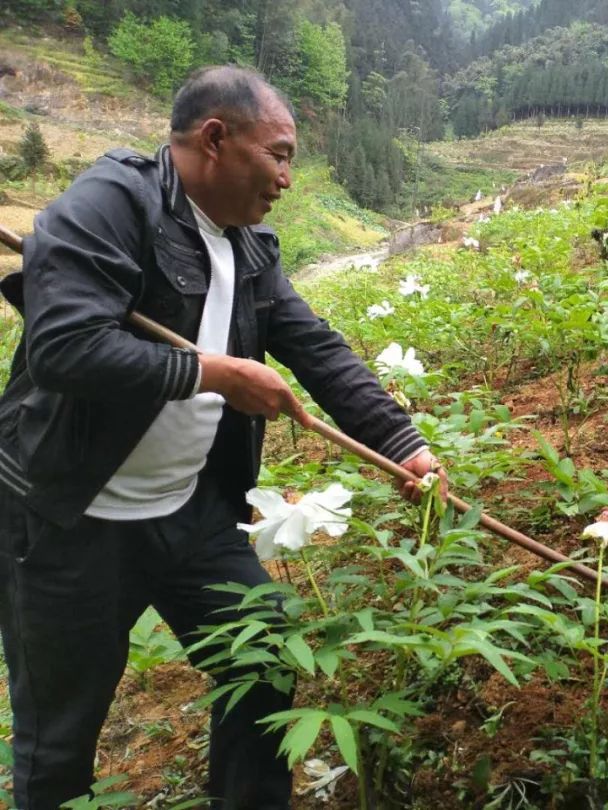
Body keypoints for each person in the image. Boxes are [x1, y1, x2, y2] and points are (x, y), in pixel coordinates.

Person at [0, 65, 446, 809]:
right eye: (278, 155)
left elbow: (321, 352)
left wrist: (404, 445)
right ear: (216, 139)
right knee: (58, 740)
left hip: (187, 515)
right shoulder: (113, 204)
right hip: (69, 521)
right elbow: (65, 348)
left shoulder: (249, 248)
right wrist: (212, 373)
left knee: (265, 656)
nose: (286, 178)